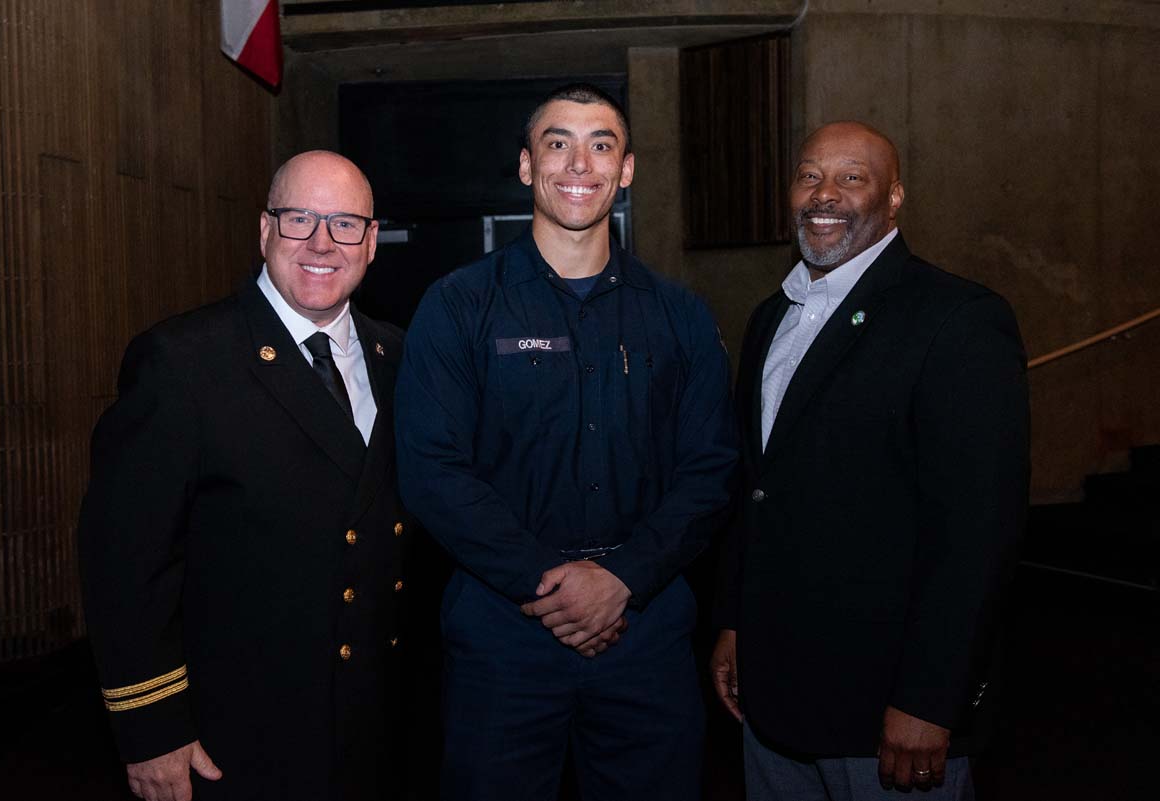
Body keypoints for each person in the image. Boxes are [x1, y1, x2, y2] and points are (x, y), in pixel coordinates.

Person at [395, 84, 737, 801]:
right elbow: (432, 470)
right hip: (502, 634)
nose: (579, 162)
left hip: (644, 633)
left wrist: (621, 581)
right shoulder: (458, 305)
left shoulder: (679, 314)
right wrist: (551, 584)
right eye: (558, 142)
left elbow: (709, 470)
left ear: (628, 169)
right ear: (527, 166)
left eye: (601, 144)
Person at [710, 121, 1030, 799]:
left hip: (886, 714)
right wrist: (737, 620)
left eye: (852, 178)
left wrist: (931, 698)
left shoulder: (957, 319)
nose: (825, 194)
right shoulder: (772, 316)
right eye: (809, 176)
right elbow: (757, 488)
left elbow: (976, 529)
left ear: (893, 199)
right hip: (773, 701)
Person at [79, 151, 412, 801]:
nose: (321, 242)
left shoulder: (398, 355)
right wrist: (150, 727)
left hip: (373, 729)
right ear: (264, 230)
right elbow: (124, 559)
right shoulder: (182, 361)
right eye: (299, 219)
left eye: (345, 223)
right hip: (234, 739)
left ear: (371, 242)